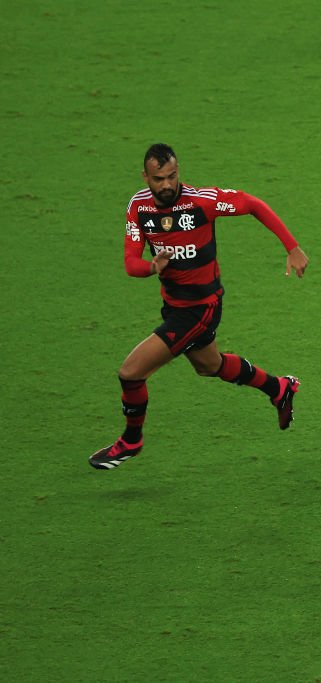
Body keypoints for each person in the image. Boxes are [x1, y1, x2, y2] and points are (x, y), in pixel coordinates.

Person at [89, 143, 309, 470]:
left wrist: (292, 247)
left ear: (179, 172)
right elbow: (130, 263)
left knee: (131, 373)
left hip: (201, 307)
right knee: (209, 365)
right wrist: (152, 267)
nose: (166, 184)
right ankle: (279, 387)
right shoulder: (139, 208)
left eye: (172, 176)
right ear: (145, 177)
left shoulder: (202, 202)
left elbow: (253, 204)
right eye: (158, 178)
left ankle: (131, 440)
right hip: (175, 307)